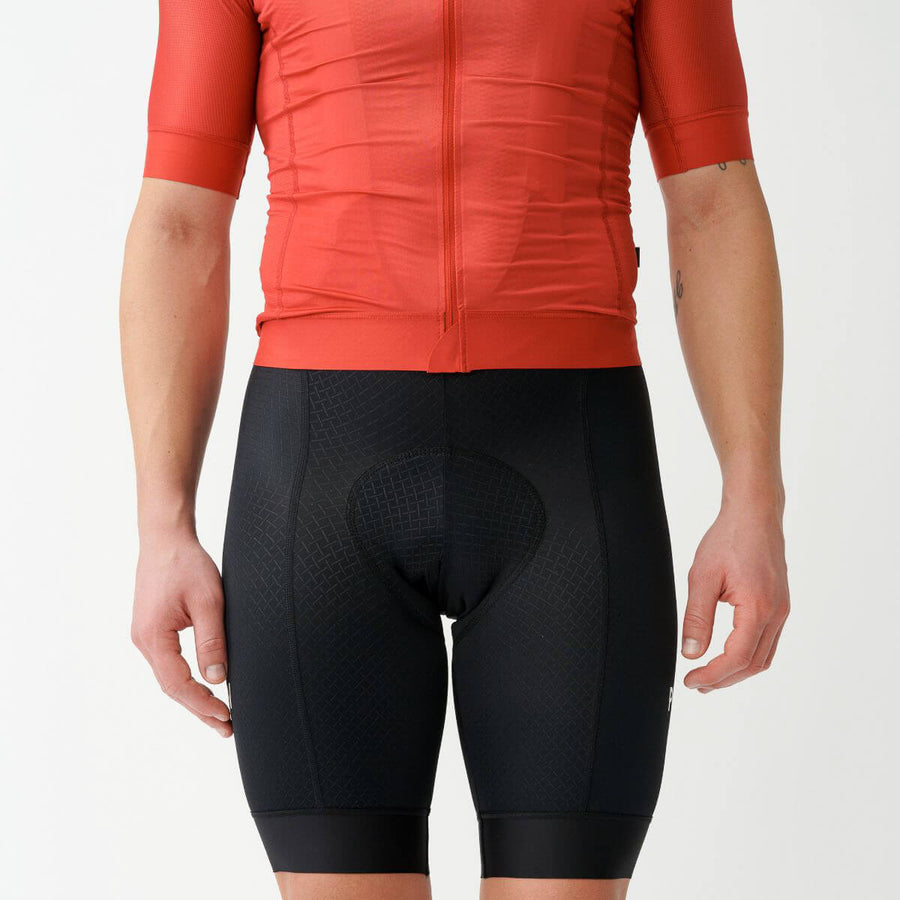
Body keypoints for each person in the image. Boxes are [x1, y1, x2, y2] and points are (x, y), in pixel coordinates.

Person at [120, 1, 790, 897]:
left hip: (572, 465)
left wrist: (754, 498)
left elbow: (712, 199)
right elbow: (179, 219)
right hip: (318, 478)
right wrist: (162, 524)